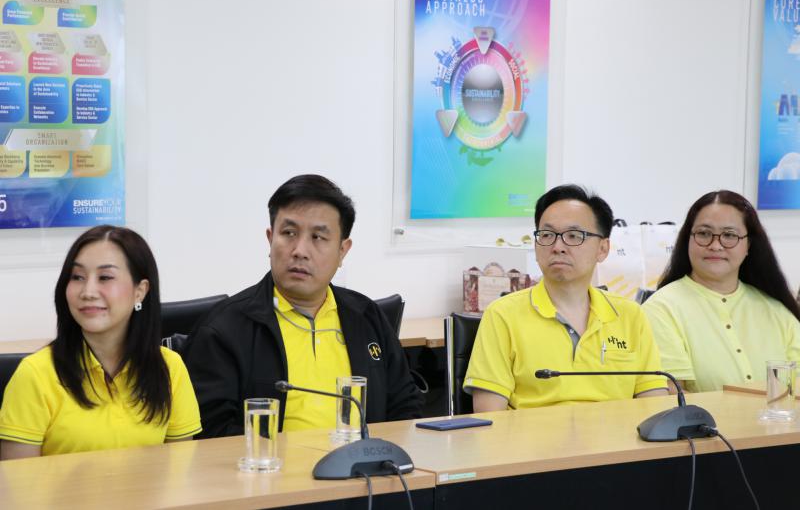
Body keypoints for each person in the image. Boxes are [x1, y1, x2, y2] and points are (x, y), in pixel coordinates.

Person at [184, 174, 422, 437]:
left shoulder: (367, 316)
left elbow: (405, 405)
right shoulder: (224, 329)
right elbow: (210, 432)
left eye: (318, 237)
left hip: (362, 461)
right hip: (270, 464)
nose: (300, 250)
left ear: (342, 251)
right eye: (288, 233)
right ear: (270, 239)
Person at [0, 226, 201, 459]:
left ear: (140, 291)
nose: (88, 291)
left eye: (105, 277)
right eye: (77, 277)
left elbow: (180, 469)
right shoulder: (35, 374)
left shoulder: (169, 368)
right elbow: (19, 480)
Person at [465, 185, 668, 412]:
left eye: (574, 236)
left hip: (617, 434)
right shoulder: (503, 315)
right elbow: (490, 416)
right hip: (533, 435)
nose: (558, 247)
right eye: (547, 235)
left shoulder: (630, 315)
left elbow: (654, 405)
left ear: (602, 249)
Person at [643, 190, 800, 393]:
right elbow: (671, 394)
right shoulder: (661, 309)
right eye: (704, 234)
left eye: (729, 235)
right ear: (687, 239)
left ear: (748, 245)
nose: (716, 245)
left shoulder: (777, 311)